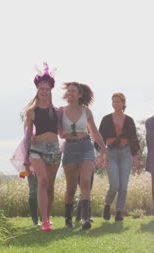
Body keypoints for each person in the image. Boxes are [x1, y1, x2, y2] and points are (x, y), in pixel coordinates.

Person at [61, 82, 108, 230]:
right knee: (71, 187)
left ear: (80, 94)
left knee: (86, 181)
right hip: (69, 148)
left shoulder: (86, 111)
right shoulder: (60, 111)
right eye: (68, 91)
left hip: (86, 146)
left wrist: (104, 150)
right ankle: (68, 218)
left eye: (73, 91)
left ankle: (85, 218)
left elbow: (94, 132)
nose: (70, 93)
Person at [21, 63, 62, 231]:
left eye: (47, 88)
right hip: (37, 149)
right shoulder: (32, 111)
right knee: (42, 181)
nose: (44, 91)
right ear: (37, 89)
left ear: (51, 90)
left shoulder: (57, 111)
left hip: (53, 148)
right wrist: (26, 159)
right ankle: (44, 221)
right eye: (41, 88)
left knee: (50, 185)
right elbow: (27, 134)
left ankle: (47, 215)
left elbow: (62, 132)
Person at [97, 93, 140, 221]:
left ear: (123, 103)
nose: (115, 104)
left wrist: (135, 158)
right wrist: (101, 154)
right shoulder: (106, 119)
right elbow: (100, 139)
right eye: (113, 101)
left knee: (123, 186)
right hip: (111, 154)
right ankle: (107, 205)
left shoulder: (129, 120)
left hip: (126, 153)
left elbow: (133, 140)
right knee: (115, 185)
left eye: (118, 102)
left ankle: (119, 212)